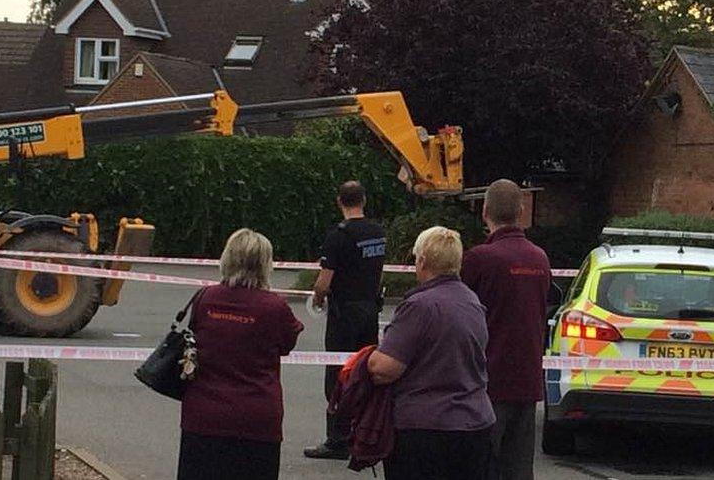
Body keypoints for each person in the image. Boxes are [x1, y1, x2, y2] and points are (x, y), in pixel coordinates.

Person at [368, 226, 496, 480]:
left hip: (426, 429)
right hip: (475, 423)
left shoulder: (419, 306)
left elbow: (383, 369)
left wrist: (369, 357)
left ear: (423, 261)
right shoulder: (472, 302)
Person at [178, 228, 303, 480]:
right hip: (256, 419)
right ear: (265, 264)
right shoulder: (274, 307)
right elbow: (288, 343)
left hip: (204, 415)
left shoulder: (205, 298)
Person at [461, 179, 551, 480]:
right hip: (527, 381)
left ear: (485, 211)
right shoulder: (540, 259)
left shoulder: (479, 259)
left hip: (487, 380)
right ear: (521, 212)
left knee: (480, 466)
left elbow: (458, 311)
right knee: (518, 469)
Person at [304, 181, 387, 460]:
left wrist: (316, 299)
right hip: (369, 310)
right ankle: (362, 433)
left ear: (340, 201)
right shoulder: (377, 233)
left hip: (345, 314)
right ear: (363, 200)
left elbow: (324, 283)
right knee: (365, 371)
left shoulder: (338, 236)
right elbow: (380, 272)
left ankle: (336, 439)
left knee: (338, 373)